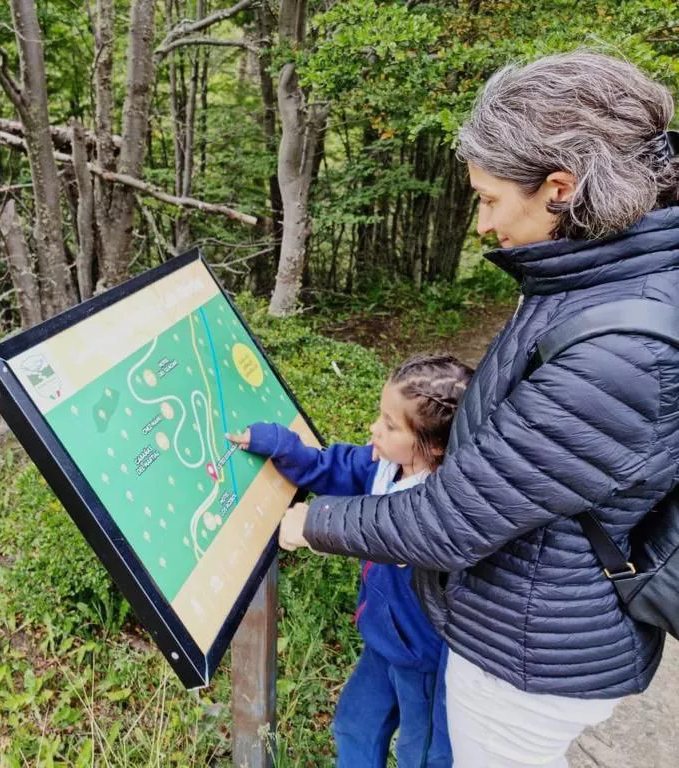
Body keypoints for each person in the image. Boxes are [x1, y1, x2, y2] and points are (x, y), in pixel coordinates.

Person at [277, 50, 679, 767]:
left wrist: (311, 522)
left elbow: (451, 521)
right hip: (539, 618)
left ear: (561, 188)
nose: (483, 224)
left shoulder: (619, 350)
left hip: (530, 654)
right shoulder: (604, 274)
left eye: (490, 199)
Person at [228, 354, 473, 767]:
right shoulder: (384, 466)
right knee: (354, 727)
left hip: (425, 661)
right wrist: (283, 446)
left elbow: (391, 535)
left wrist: (315, 526)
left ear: (434, 445)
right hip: (381, 642)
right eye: (380, 415)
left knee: (421, 754)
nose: (374, 429)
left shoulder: (442, 508)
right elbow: (332, 467)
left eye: (390, 425)